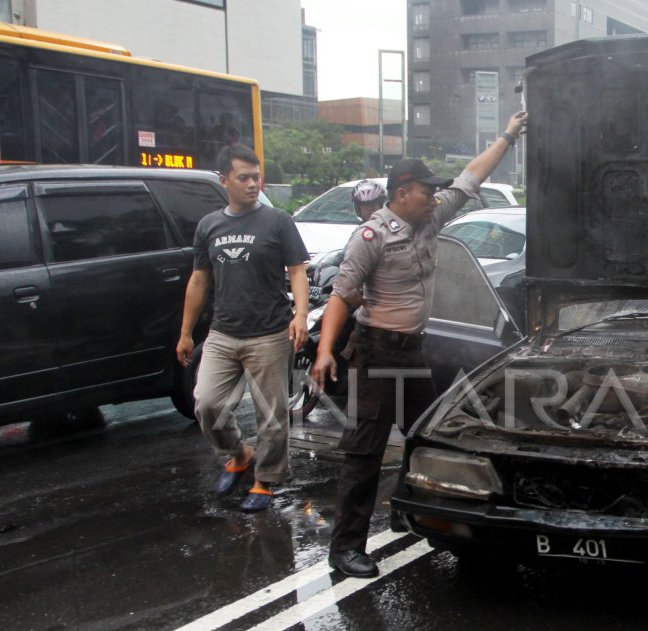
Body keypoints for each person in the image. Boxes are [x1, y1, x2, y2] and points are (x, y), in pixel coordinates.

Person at [313, 112, 528, 577]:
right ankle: (346, 547)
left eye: (434, 191)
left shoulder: (430, 220)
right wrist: (326, 350)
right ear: (402, 193)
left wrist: (508, 136)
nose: (434, 197)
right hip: (376, 353)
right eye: (426, 190)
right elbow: (341, 296)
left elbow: (472, 177)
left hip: (413, 353)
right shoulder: (370, 236)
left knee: (427, 433)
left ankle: (406, 512)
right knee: (364, 451)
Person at [177, 144, 310, 512]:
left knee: (272, 415)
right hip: (223, 332)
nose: (253, 184)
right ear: (225, 181)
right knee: (207, 403)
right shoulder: (209, 225)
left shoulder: (277, 221)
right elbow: (199, 280)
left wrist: (300, 314)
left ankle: (264, 480)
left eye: (257, 177)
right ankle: (239, 453)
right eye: (244, 178)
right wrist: (187, 332)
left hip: (269, 332)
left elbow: (297, 270)